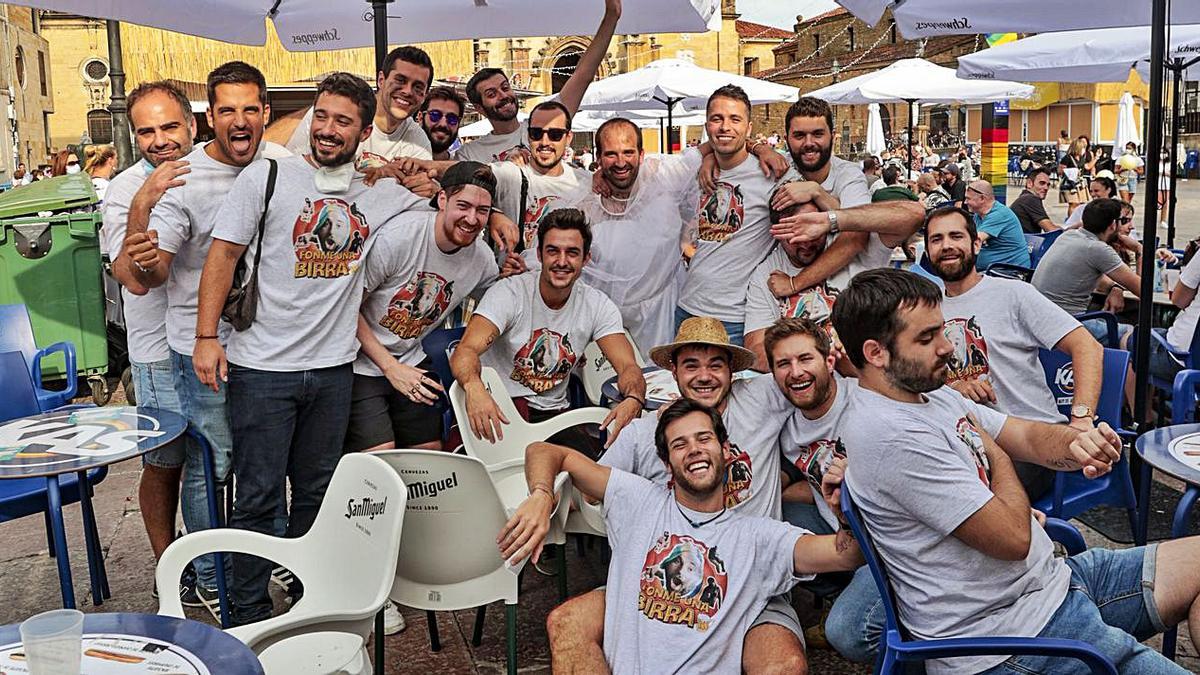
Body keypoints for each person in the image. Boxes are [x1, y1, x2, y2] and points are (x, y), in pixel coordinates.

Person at [833, 267, 1200, 674]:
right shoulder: (890, 436)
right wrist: (997, 455)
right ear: (875, 353)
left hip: (1054, 584)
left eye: (941, 331)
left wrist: (1079, 444)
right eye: (927, 337)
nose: (948, 348)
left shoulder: (926, 395)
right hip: (1013, 640)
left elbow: (1023, 435)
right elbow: (1013, 538)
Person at [192, 72, 427, 626]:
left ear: (364, 131)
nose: (326, 129)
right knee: (256, 496)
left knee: (317, 494)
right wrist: (206, 337)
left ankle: (309, 598)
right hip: (262, 368)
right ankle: (247, 613)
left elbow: (447, 190)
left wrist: (426, 179)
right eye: (320, 116)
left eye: (342, 121)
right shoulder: (269, 173)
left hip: (333, 370)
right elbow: (222, 256)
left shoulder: (378, 191)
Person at [502, 398, 862, 674]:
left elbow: (845, 555)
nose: (694, 450)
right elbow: (544, 451)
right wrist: (541, 495)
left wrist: (845, 512)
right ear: (667, 463)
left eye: (704, 438)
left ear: (725, 451)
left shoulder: (758, 537)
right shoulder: (638, 499)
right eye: (680, 444)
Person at [121, 61, 291, 614]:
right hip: (201, 350)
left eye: (250, 109)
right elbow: (149, 276)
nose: (239, 120)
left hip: (266, 348)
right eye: (227, 110)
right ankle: (214, 574)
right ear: (209, 118)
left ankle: (267, 563)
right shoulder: (181, 180)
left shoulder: (284, 166)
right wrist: (145, 254)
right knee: (210, 465)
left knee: (264, 462)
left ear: (265, 113)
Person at [544, 318, 805, 673]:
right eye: (691, 365)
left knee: (784, 665)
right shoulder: (644, 432)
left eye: (716, 365)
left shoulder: (762, 399)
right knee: (566, 622)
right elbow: (589, 491)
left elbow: (815, 381)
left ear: (733, 371)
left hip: (755, 580)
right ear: (673, 371)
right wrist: (544, 497)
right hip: (661, 584)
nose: (704, 376)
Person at [926, 207, 1104, 500]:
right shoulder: (926, 307)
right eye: (936, 239)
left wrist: (1082, 419)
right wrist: (954, 385)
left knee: (947, 497)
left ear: (976, 244)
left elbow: (1086, 345)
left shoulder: (1012, 294)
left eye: (956, 236)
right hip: (965, 441)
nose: (946, 246)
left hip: (1031, 444)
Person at [103, 80, 197, 603]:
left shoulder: (216, 170)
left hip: (216, 344)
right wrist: (144, 199)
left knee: (217, 461)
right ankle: (168, 567)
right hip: (157, 350)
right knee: (165, 463)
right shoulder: (123, 189)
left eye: (169, 126)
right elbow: (131, 277)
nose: (160, 139)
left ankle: (218, 557)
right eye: (147, 131)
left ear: (191, 125)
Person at [449, 208, 645, 450]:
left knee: (595, 477)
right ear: (540, 254)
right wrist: (474, 386)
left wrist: (634, 398)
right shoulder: (510, 293)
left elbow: (628, 366)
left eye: (572, 253)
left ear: (586, 259)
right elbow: (465, 350)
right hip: (500, 407)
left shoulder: (597, 305)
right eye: (553, 251)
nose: (562, 261)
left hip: (554, 416)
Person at [554, 117, 702, 356]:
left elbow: (712, 148)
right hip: (606, 322)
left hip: (663, 312)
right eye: (611, 154)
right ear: (598, 157)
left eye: (628, 152)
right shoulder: (584, 205)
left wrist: (757, 148)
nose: (621, 162)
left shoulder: (664, 180)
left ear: (641, 155)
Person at [745, 196, 924, 372]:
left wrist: (831, 218)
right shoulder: (766, 274)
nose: (806, 242)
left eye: (811, 231)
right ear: (777, 233)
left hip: (865, 380)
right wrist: (821, 363)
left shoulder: (853, 245)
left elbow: (914, 214)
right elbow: (756, 350)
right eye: (793, 234)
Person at [675, 85, 788, 345]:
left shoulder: (772, 173)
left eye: (735, 119)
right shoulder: (691, 171)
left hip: (739, 319)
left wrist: (760, 149)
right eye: (717, 119)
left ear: (748, 128)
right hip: (688, 308)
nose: (725, 127)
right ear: (707, 126)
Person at [455, 0, 620, 162]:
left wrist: (611, 17)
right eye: (491, 94)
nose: (503, 95)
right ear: (479, 108)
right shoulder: (470, 154)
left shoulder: (541, 126)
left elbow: (583, 76)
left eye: (505, 87)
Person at [760, 97, 883, 309]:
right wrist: (757, 148)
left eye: (818, 134)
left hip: (838, 296)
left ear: (832, 137)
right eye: (799, 135)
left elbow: (859, 232)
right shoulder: (778, 167)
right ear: (786, 138)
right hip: (771, 289)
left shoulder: (848, 174)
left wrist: (817, 192)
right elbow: (731, 144)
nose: (809, 143)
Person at [273, 46, 437, 198]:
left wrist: (427, 187)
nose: (407, 91)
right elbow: (300, 173)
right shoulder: (333, 114)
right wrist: (374, 175)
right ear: (381, 80)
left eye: (417, 87)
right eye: (400, 80)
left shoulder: (418, 141)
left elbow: (418, 190)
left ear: (424, 95)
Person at [1033, 199, 1143, 342]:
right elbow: (1143, 290)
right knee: (1132, 333)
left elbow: (1091, 276)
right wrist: (1140, 250)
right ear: (1113, 225)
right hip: (1068, 324)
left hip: (1039, 320)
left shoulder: (1067, 236)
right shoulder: (1097, 249)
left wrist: (1116, 287)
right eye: (1123, 221)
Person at [963, 180, 1031, 271]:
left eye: (968, 199)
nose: (965, 202)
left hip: (1011, 271)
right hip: (994, 269)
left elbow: (974, 239)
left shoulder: (999, 215)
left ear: (982, 198)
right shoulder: (979, 215)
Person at [1009, 167, 1061, 234]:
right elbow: (1051, 230)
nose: (1046, 188)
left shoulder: (1024, 197)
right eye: (1042, 183)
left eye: (1048, 185)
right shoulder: (1030, 199)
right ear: (1029, 183)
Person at [419, 86, 465, 160]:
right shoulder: (399, 157)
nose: (443, 124)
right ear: (420, 117)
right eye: (435, 115)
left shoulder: (462, 165)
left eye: (452, 118)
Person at [1059, 137, 1089, 218]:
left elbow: (1087, 167)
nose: (1084, 149)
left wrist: (1096, 157)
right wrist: (1071, 172)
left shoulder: (1082, 158)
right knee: (1074, 203)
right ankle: (1071, 221)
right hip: (1070, 183)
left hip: (1080, 183)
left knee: (1082, 203)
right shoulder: (1067, 158)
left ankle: (1079, 219)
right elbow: (1060, 171)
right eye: (1082, 147)